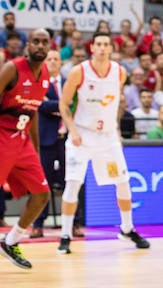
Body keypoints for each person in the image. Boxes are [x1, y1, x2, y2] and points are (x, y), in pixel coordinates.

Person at [57, 30, 150, 255]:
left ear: (110, 48)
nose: (101, 47)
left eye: (105, 44)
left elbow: (116, 103)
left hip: (107, 137)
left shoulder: (120, 73)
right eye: (97, 44)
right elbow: (63, 104)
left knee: (123, 182)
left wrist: (116, 127)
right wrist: (72, 130)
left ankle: (127, 228)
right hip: (82, 134)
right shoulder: (79, 72)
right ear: (92, 48)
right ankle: (66, 234)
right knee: (73, 183)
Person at [0, 29, 52, 269]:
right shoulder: (12, 68)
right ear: (27, 45)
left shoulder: (45, 75)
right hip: (2, 135)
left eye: (45, 42)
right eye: (36, 42)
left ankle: (11, 242)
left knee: (42, 194)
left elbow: (33, 114)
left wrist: (37, 150)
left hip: (22, 141)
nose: (40, 46)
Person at [30, 49, 83, 238]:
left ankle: (75, 224)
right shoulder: (40, 82)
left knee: (71, 181)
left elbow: (74, 105)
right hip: (46, 140)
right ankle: (37, 224)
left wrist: (55, 105)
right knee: (42, 183)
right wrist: (61, 105)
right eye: (49, 59)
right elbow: (40, 105)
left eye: (56, 59)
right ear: (45, 62)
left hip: (67, 139)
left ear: (61, 62)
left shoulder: (69, 81)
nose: (52, 62)